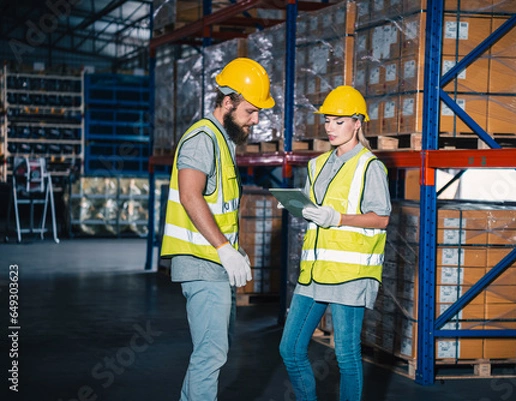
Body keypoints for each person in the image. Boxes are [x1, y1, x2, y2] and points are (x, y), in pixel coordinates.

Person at [160, 57, 274, 401]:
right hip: (202, 262)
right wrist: (224, 248)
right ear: (227, 102)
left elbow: (217, 206)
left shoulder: (222, 140)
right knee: (211, 354)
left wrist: (231, 249)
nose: (255, 120)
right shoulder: (202, 139)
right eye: (250, 111)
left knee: (212, 352)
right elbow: (190, 195)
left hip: (214, 262)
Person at [279, 85, 392, 401]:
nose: (330, 127)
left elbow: (381, 218)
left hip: (349, 273)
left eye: (339, 121)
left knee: (345, 356)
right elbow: (318, 212)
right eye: (328, 120)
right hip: (314, 272)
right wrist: (299, 207)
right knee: (290, 348)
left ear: (357, 123)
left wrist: (337, 218)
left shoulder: (370, 166)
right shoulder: (316, 165)